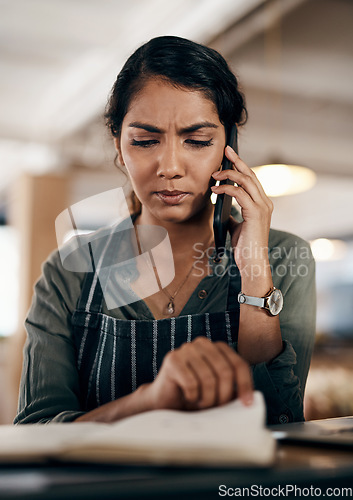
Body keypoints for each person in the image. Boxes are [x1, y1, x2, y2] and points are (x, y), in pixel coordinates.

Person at [15, 36, 316, 426]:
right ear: (119, 148)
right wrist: (150, 402)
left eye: (197, 141)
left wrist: (254, 272)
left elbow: (281, 425)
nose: (170, 166)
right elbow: (35, 433)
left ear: (229, 146)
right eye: (144, 140)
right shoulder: (69, 272)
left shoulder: (284, 258)